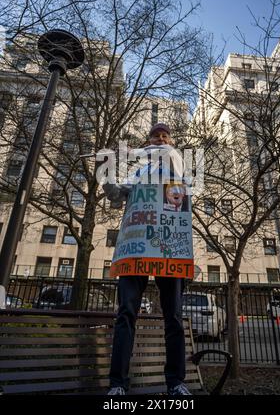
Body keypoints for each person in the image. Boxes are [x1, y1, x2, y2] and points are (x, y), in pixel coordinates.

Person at [103, 123, 192, 396]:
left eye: (166, 136)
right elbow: (116, 197)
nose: (162, 139)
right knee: (126, 313)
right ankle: (118, 384)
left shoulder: (180, 168)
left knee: (173, 317)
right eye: (156, 136)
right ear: (149, 140)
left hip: (169, 248)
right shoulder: (137, 173)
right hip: (136, 247)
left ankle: (176, 382)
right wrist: (106, 172)